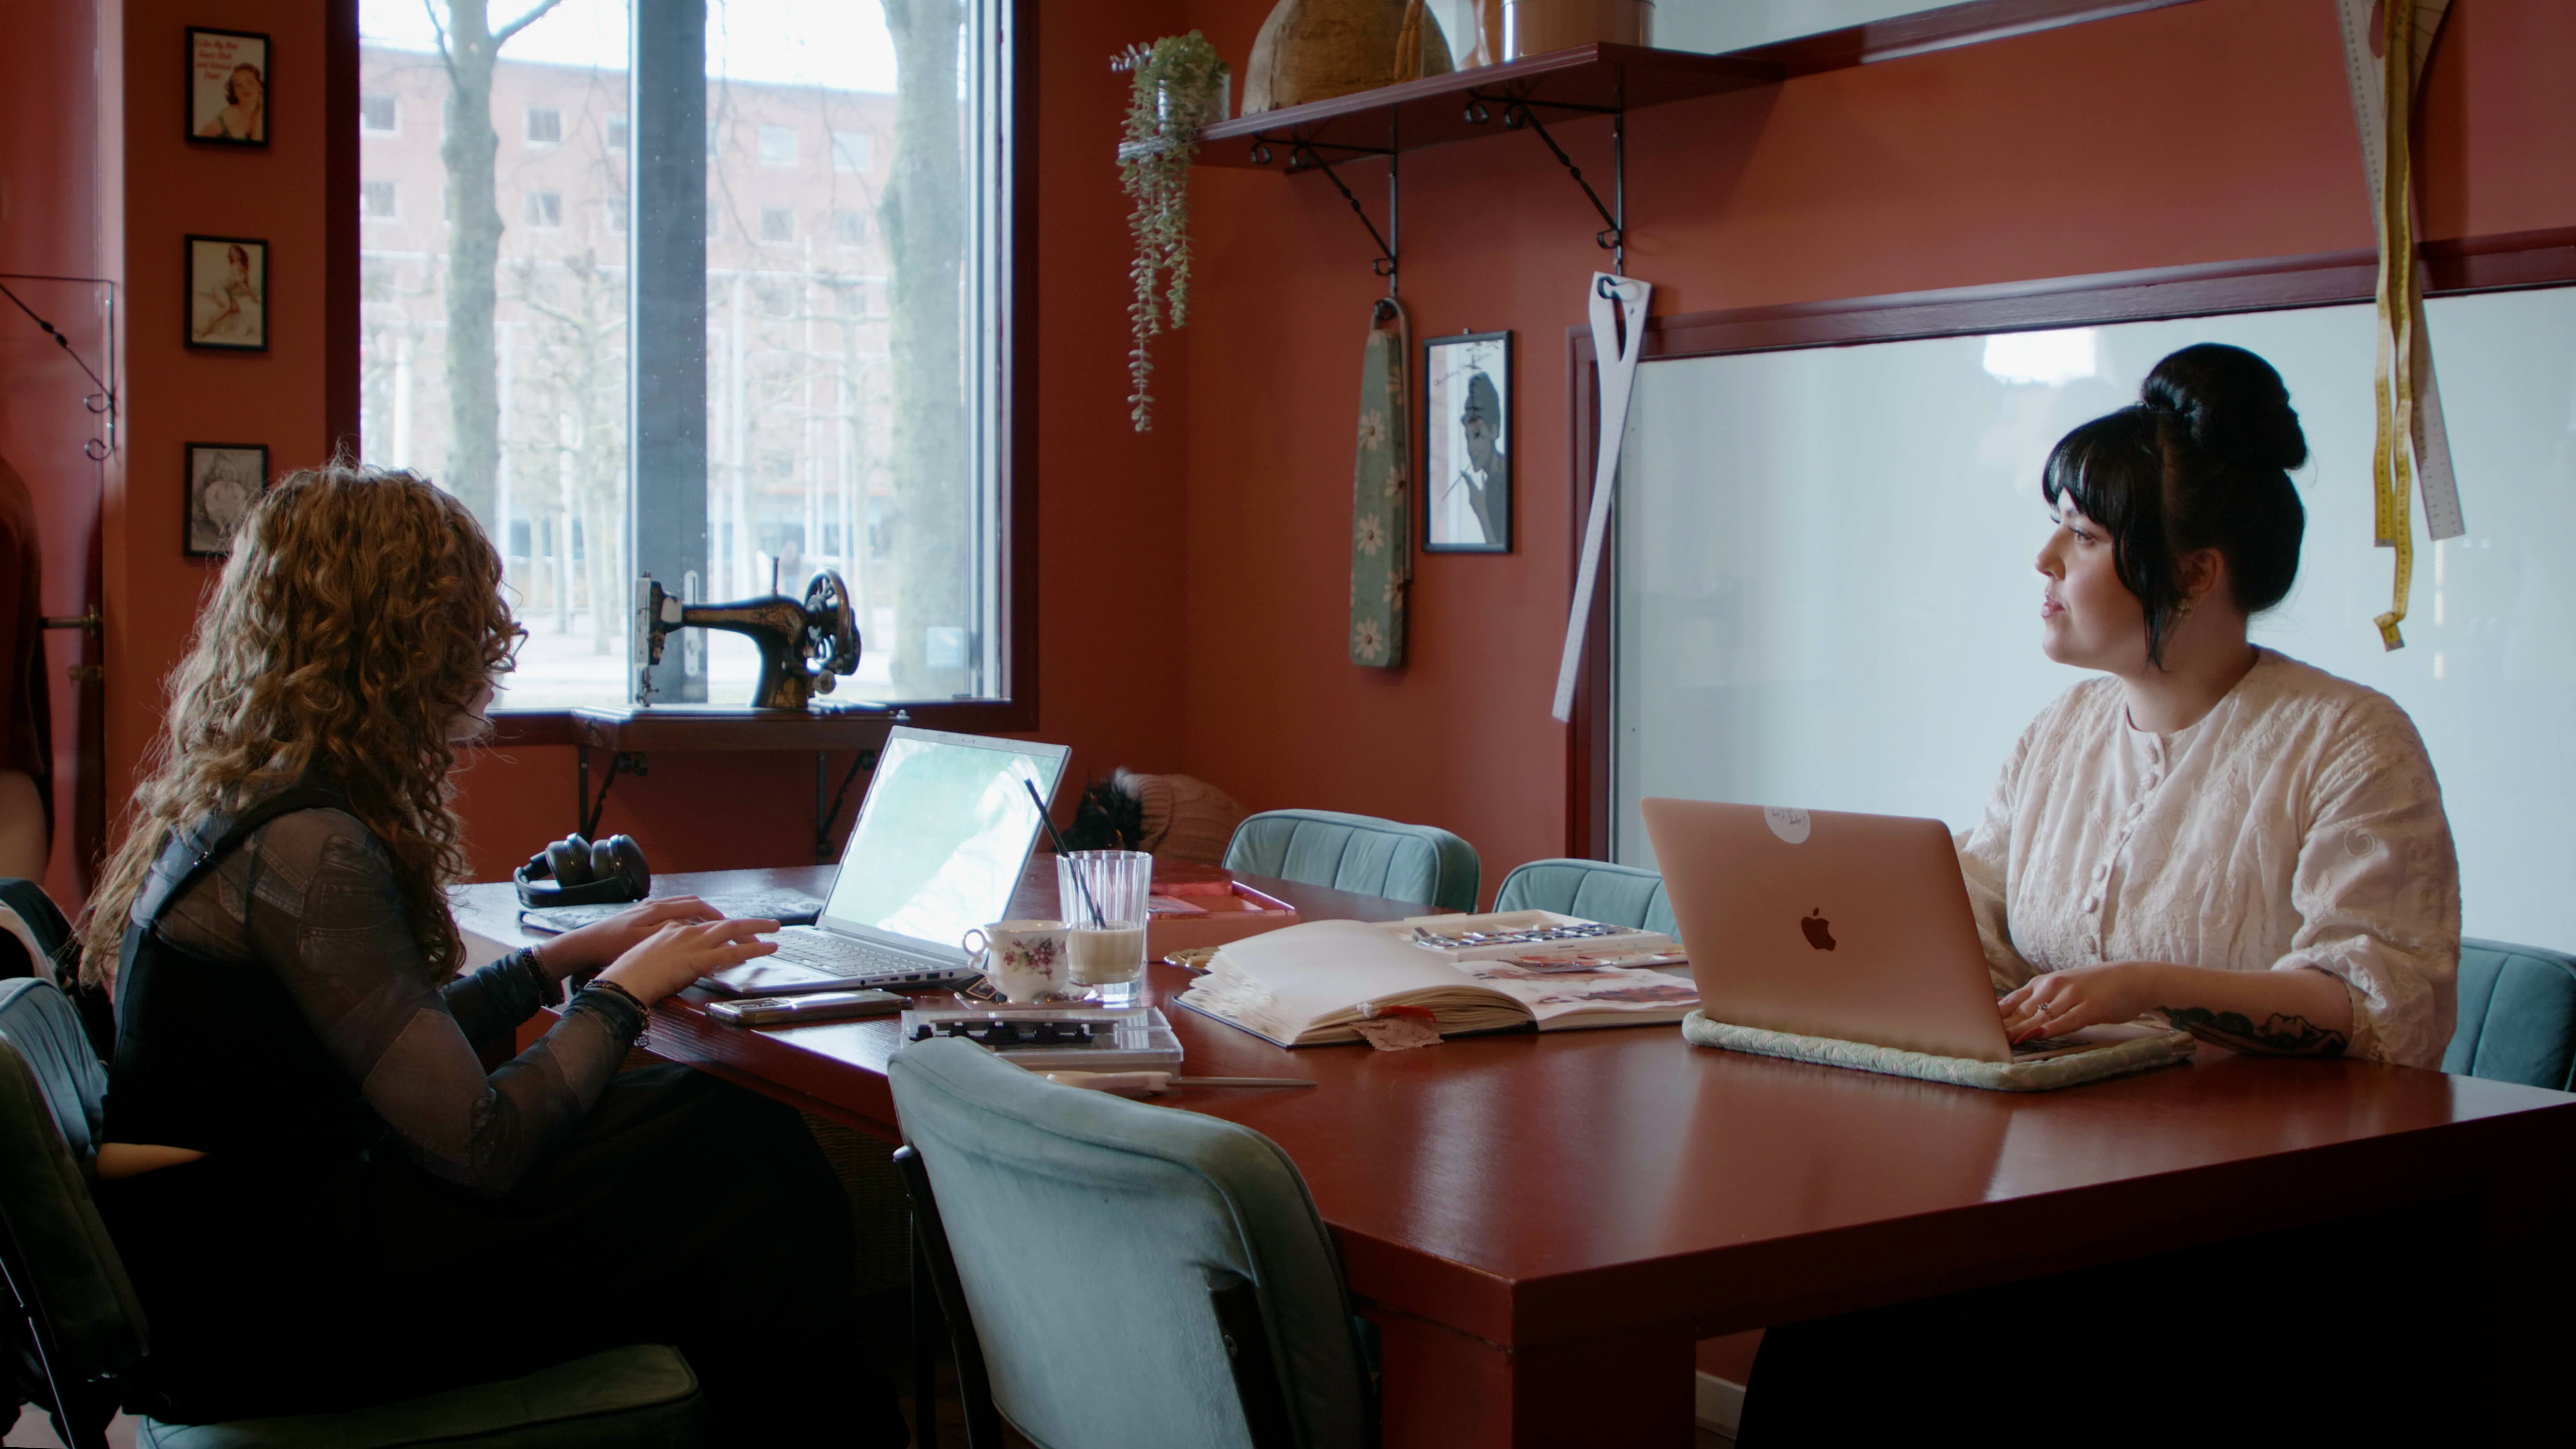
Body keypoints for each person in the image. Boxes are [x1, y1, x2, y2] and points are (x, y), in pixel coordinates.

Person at [80, 465, 903, 1443]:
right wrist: (622, 996)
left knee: (718, 1117)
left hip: (249, 1248)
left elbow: (384, 1046)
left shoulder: (253, 802)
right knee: (745, 1173)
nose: (487, 650)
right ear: (404, 644)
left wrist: (564, 961)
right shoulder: (308, 846)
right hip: (264, 1307)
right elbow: (481, 1147)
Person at [1737, 344, 2462, 1442]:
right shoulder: (2060, 733)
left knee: (1902, 1348)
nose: (2042, 558)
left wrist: (2145, 985)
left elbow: (2382, 1006)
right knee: (1828, 1330)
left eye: (2077, 536)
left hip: (2245, 1222)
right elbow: (1974, 905)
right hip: (2053, 1182)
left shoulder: (2347, 741)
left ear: (2192, 573)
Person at [196, 62, 264, 141]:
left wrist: (259, 114)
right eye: (238, 85)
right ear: (234, 92)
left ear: (260, 86)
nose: (245, 88)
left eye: (250, 82)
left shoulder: (267, 114)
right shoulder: (227, 115)